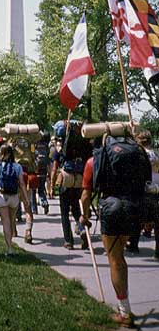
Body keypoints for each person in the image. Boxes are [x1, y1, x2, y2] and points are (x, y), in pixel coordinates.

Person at [80, 135, 152, 328]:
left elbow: (86, 195)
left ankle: (124, 312)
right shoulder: (135, 154)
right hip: (133, 208)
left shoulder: (94, 160)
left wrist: (84, 217)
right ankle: (125, 306)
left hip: (112, 209)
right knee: (120, 259)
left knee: (115, 260)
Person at [126, 130, 159, 258]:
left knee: (136, 219)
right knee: (157, 222)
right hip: (156, 190)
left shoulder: (137, 154)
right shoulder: (155, 155)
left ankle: (133, 244)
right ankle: (158, 251)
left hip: (142, 191)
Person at [0, 144, 30, 255]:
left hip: (2, 196)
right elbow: (22, 184)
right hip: (14, 197)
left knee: (6, 222)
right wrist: (26, 199)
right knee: (11, 219)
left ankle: (9, 248)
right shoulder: (17, 166)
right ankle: (11, 239)